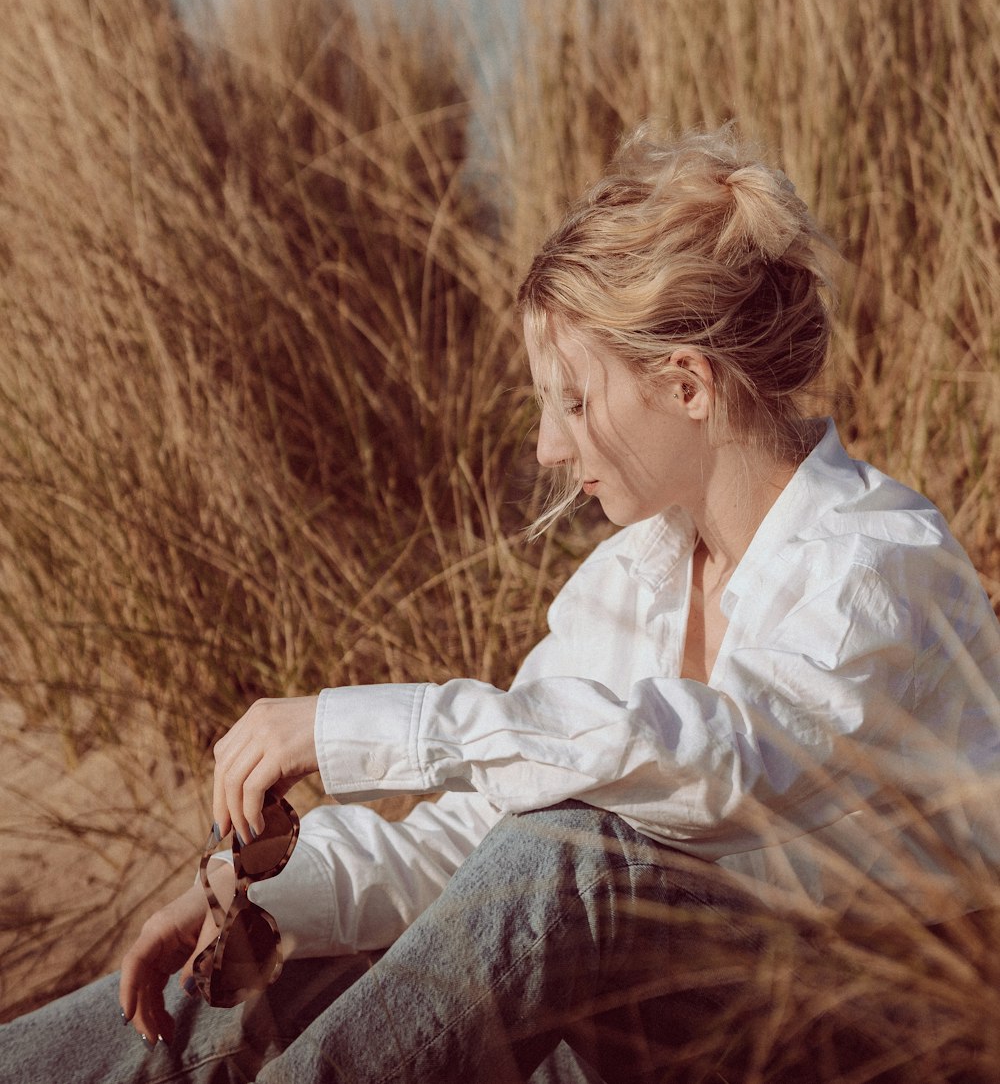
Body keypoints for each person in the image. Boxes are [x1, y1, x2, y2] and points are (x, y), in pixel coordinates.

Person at [3, 124, 999, 1084]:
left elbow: (719, 763)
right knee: (294, 966)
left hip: (874, 1044)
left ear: (687, 384)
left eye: (573, 399)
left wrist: (356, 724)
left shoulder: (878, 565)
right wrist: (254, 894)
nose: (546, 448)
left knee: (575, 854)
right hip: (645, 1031)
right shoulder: (633, 576)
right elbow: (474, 838)